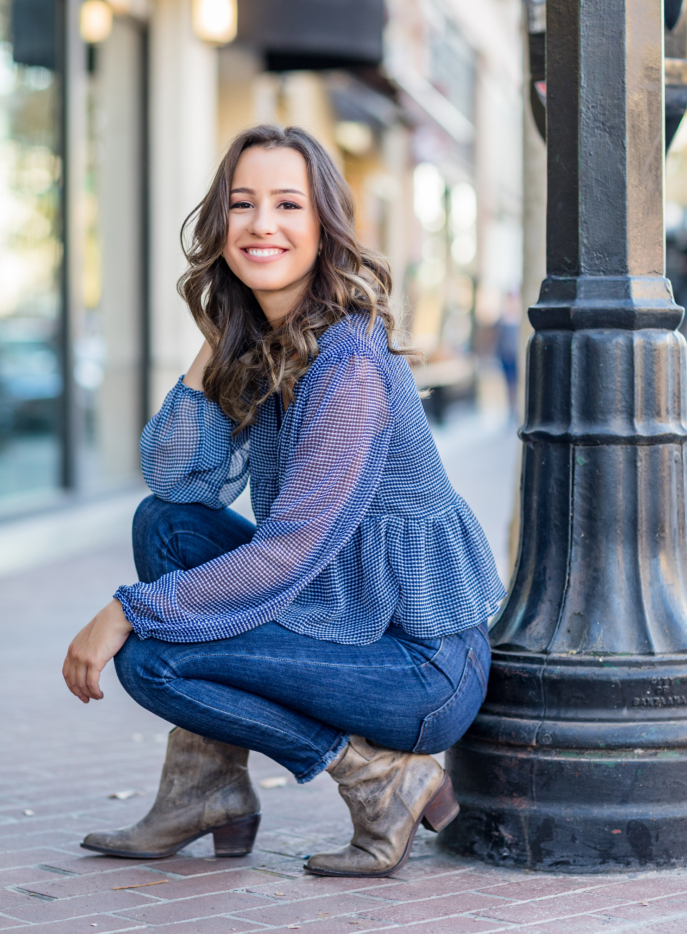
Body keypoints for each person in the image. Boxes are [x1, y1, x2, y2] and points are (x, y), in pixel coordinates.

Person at [62, 125, 505, 878]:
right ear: (219, 226)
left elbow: (290, 550)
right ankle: (205, 789)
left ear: (324, 228)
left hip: (419, 667)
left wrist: (129, 609)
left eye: (287, 205)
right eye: (241, 205)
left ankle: (382, 778)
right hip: (338, 617)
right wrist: (217, 330)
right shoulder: (273, 340)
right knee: (165, 527)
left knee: (154, 662)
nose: (261, 223)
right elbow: (178, 479)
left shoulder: (347, 366)